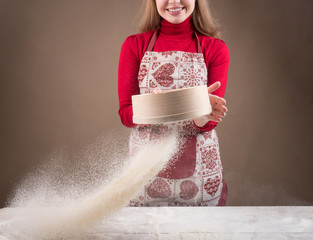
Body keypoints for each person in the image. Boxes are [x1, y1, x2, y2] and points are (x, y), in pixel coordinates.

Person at [118, 0, 229, 206]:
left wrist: (202, 113)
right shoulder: (135, 45)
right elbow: (126, 114)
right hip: (144, 174)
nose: (174, 1)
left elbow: (211, 119)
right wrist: (178, 104)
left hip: (200, 179)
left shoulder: (215, 48)